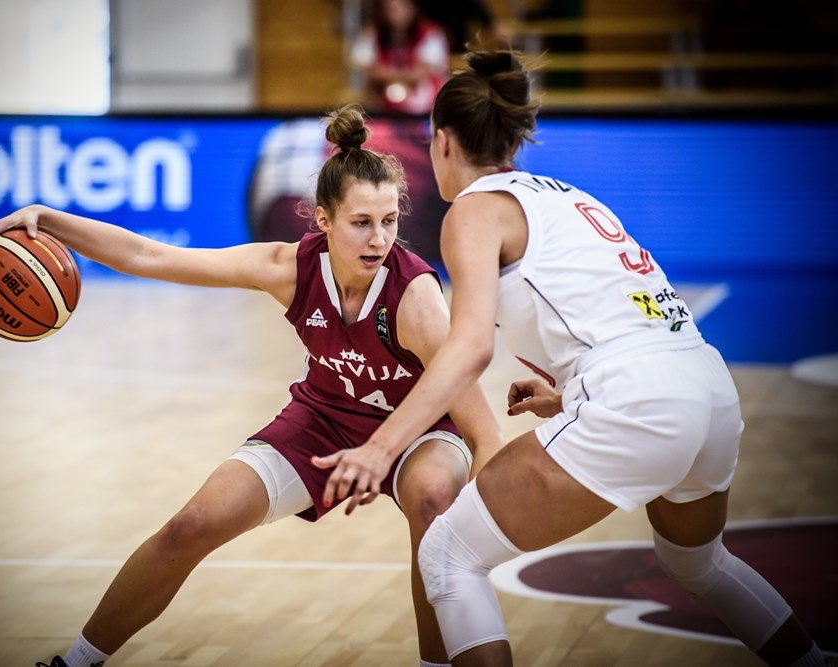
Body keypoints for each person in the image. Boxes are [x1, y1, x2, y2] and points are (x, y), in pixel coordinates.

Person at [312, 51, 827, 666]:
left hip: (638, 398)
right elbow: (627, 318)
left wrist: (380, 447)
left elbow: (470, 347)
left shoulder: (473, 210)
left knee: (447, 554)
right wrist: (570, 396)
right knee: (699, 562)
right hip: (706, 386)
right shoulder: (570, 198)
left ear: (442, 141)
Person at [0, 104, 505, 667]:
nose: (379, 239)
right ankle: (75, 662)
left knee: (433, 500)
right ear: (323, 220)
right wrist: (47, 218)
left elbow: (480, 429)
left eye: (389, 221)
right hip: (325, 417)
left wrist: (487, 510)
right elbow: (149, 255)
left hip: (419, 428)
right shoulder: (287, 267)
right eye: (361, 222)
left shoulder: (415, 300)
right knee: (191, 525)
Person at [350, 0, 451, 115]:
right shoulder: (373, 33)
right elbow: (367, 67)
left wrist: (388, 74)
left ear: (413, 8)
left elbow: (421, 73)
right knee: (369, 86)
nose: (394, 14)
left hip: (424, 104)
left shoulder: (431, 33)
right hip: (383, 101)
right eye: (390, 8)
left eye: (400, 7)